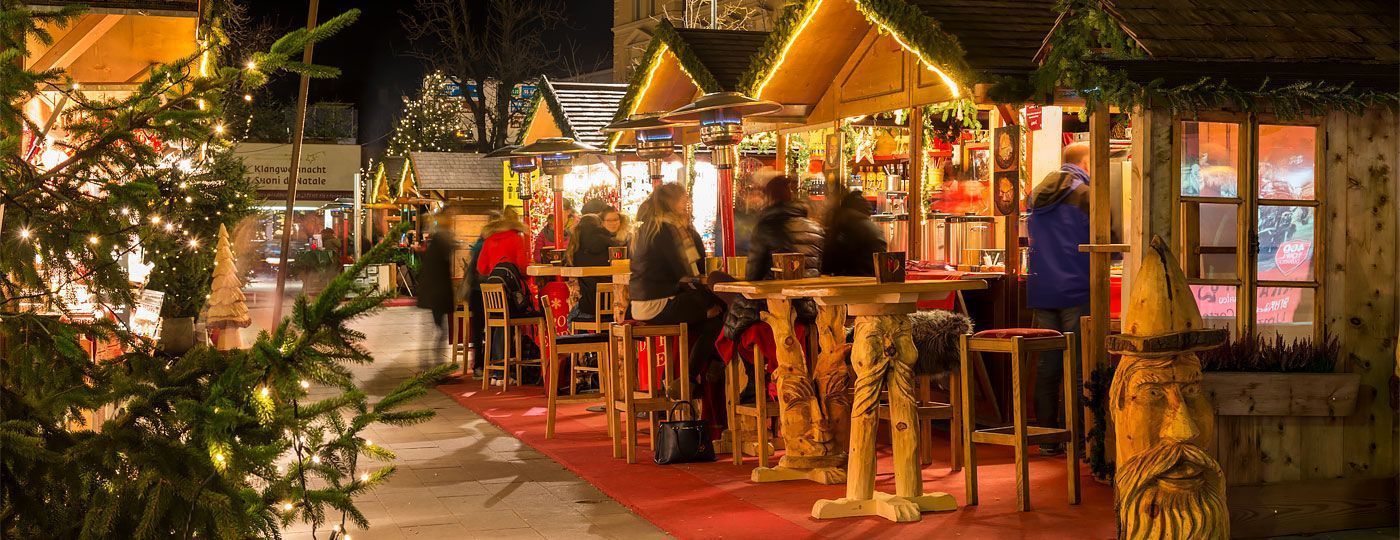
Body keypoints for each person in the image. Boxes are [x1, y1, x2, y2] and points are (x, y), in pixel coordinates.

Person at [1026, 141, 1092, 456]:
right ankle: (1080, 440)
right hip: (1077, 288)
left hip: (1043, 289)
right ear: (1086, 161)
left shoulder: (1037, 195)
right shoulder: (1085, 195)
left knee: (1048, 366)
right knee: (1079, 366)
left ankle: (1047, 438)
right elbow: (1105, 240)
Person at [628, 183, 723, 395]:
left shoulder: (646, 228)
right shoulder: (668, 231)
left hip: (641, 303)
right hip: (660, 302)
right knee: (718, 316)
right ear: (672, 202)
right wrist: (707, 304)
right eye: (683, 198)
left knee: (706, 318)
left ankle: (673, 381)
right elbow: (688, 274)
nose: (687, 202)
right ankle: (689, 378)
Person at [724, 176, 824, 339]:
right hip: (808, 307)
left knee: (718, 286)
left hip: (771, 305)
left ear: (769, 198)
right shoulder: (815, 228)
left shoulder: (767, 226)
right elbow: (818, 269)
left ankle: (741, 362)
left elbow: (752, 276)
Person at [416, 216, 456, 366]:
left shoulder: (436, 244)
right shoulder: (442, 244)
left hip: (431, 294)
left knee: (434, 330)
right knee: (439, 330)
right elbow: (440, 274)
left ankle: (428, 363)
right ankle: (435, 365)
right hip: (437, 294)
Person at [566, 212, 619, 323]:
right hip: (615, 306)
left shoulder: (576, 248)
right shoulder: (612, 243)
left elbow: (566, 266)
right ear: (600, 226)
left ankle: (585, 340)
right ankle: (606, 338)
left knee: (571, 318)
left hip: (589, 307)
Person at [820, 189, 886, 276]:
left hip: (855, 280)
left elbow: (833, 260)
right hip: (870, 278)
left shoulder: (847, 226)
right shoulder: (870, 227)